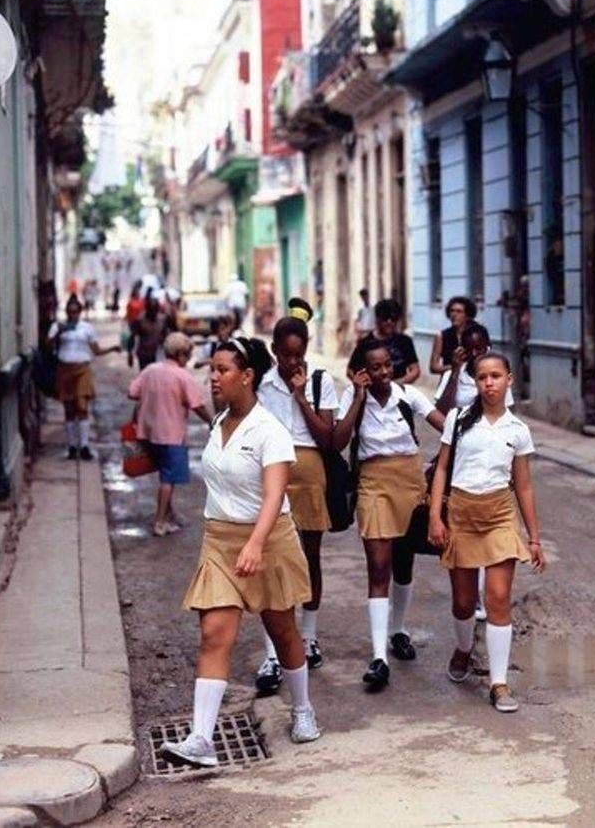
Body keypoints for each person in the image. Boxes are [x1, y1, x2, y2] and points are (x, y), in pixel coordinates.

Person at [161, 336, 320, 768]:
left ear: (247, 376)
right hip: (219, 540)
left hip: (267, 540)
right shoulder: (219, 423)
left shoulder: (270, 431)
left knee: (283, 631)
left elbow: (274, 496)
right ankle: (201, 739)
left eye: (222, 370)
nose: (212, 378)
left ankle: (303, 709)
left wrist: (254, 543)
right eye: (210, 369)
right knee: (214, 633)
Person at [428, 352, 545, 713]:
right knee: (463, 602)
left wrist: (534, 537)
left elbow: (523, 486)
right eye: (482, 377)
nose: (489, 383)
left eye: (496, 376)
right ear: (475, 382)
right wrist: (436, 515)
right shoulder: (459, 420)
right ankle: (463, 648)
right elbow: (442, 468)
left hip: (499, 515)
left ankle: (498, 683)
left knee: (497, 598)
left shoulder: (517, 430)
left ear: (509, 379)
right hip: (461, 513)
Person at [331, 341, 446, 691]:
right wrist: (357, 397)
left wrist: (438, 464)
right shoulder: (353, 397)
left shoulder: (408, 396)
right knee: (378, 567)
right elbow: (336, 442)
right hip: (373, 483)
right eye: (374, 367)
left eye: (387, 365)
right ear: (361, 370)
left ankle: (398, 630)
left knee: (405, 561)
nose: (382, 372)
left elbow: (449, 428)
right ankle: (379, 657)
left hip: (410, 481)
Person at [254, 298, 338, 695]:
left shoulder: (321, 380)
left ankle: (309, 637)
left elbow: (327, 437)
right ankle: (271, 651)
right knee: (270, 560)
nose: (292, 363)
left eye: (298, 354)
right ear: (274, 353)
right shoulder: (261, 385)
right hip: (271, 473)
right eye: (285, 356)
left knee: (309, 557)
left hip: (308, 471)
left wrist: (301, 396)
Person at [434, 321, 513, 621]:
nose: (477, 354)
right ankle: (470, 600)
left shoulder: (496, 374)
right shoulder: (463, 375)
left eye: (482, 348)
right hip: (459, 456)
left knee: (491, 537)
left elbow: (507, 418)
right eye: (471, 350)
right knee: (464, 536)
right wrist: (454, 370)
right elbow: (442, 410)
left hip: (490, 460)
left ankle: (482, 598)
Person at [128, 332, 212, 537]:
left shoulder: (150, 370)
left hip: (147, 432)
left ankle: (169, 512)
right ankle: (159, 520)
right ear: (181, 354)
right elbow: (197, 405)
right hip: (171, 434)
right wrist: (211, 421)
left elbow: (132, 392)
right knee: (168, 479)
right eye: (188, 354)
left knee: (165, 474)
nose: (189, 358)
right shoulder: (182, 376)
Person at [47, 296, 121, 460]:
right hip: (64, 369)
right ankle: (72, 446)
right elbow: (47, 345)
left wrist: (112, 349)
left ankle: (85, 446)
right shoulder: (58, 327)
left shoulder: (86, 328)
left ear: (80, 313)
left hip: (82, 369)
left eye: (76, 312)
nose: (73, 315)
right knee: (69, 409)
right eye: (70, 312)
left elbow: (96, 350)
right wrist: (58, 332)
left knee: (82, 407)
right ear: (66, 312)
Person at [346, 299, 420, 385]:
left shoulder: (405, 341)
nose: (389, 322)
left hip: (399, 392)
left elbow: (415, 370)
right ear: (377, 318)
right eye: (385, 318)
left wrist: (396, 385)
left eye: (393, 318)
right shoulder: (365, 342)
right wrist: (364, 384)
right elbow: (350, 371)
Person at [429, 296, 477, 375]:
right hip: (450, 381)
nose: (454, 314)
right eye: (452, 311)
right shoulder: (441, 336)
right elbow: (433, 367)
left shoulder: (476, 335)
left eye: (459, 311)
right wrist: (454, 367)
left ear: (467, 315)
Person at [131, 291, 169, 370]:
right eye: (151, 311)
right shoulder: (140, 320)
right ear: (147, 310)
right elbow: (133, 336)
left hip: (157, 353)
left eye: (155, 311)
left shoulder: (162, 320)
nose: (153, 313)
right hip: (144, 353)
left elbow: (166, 335)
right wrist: (130, 353)